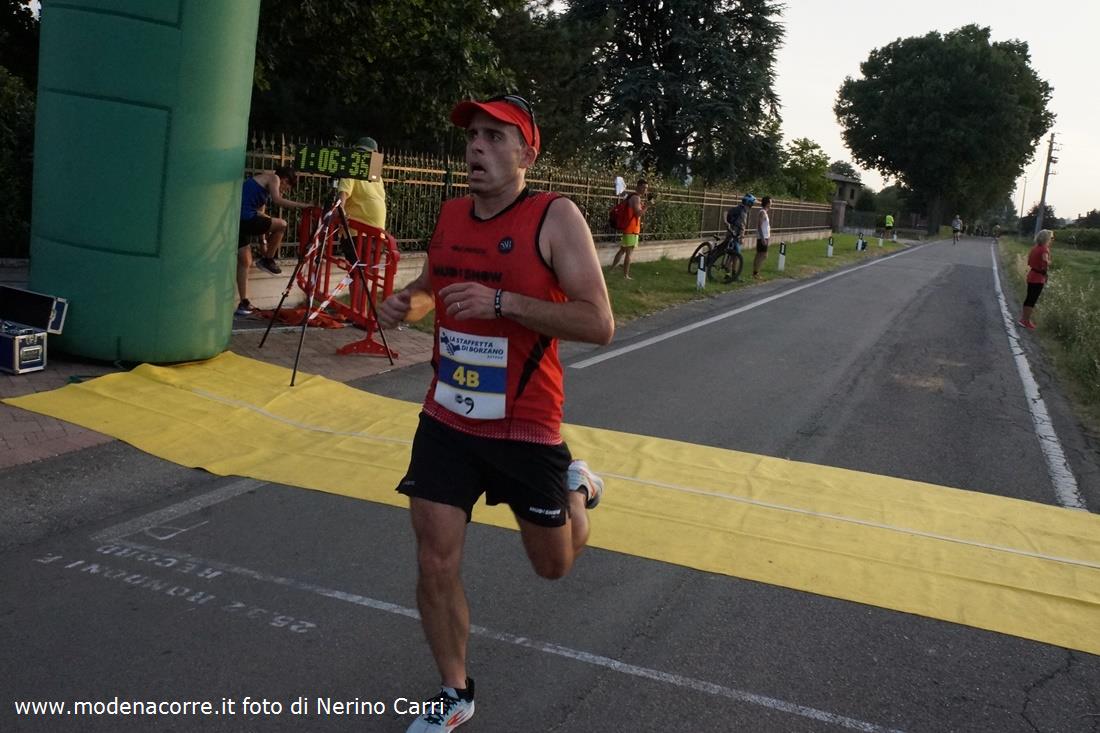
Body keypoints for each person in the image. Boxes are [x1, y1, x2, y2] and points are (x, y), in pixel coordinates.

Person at [376, 94, 614, 733]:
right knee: (434, 558)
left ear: (526, 153)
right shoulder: (451, 214)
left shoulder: (554, 217)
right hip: (447, 416)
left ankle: (578, 489)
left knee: (553, 565)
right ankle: (455, 693)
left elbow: (599, 322)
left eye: (493, 136)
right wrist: (403, 306)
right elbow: (429, 290)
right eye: (471, 136)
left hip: (525, 424)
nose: (476, 146)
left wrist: (504, 303)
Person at [237, 166, 309, 316]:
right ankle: (268, 260)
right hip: (244, 219)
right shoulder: (273, 178)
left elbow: (261, 216)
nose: (285, 191)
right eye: (286, 187)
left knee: (245, 261)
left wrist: (263, 243)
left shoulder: (263, 190)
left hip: (240, 222)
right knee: (282, 224)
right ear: (284, 180)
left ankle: (244, 303)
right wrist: (304, 206)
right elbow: (278, 200)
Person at [337, 136, 387, 231]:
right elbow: (343, 195)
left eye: (367, 154)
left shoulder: (377, 177)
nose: (363, 157)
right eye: (360, 153)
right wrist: (341, 212)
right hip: (356, 233)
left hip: (376, 233)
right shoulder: (351, 172)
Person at [608, 179, 647, 279]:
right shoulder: (636, 198)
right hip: (632, 230)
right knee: (629, 253)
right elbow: (638, 214)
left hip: (629, 229)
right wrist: (647, 206)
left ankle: (611, 270)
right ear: (638, 187)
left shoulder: (632, 196)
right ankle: (626, 275)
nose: (645, 190)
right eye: (643, 187)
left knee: (622, 250)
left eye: (646, 188)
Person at [1019, 229, 1053, 330]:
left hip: (1032, 274)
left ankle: (1024, 319)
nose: (1051, 240)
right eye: (1051, 238)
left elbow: (1029, 261)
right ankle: (1026, 321)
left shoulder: (1035, 248)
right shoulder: (1044, 249)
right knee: (1032, 300)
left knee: (1029, 298)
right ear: (1047, 238)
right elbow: (1045, 262)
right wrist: (1048, 264)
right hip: (1038, 277)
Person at [722, 193, 755, 283]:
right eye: (752, 203)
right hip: (735, 235)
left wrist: (726, 222)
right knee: (736, 255)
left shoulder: (738, 208)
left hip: (730, 233)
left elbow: (726, 212)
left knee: (732, 255)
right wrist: (742, 237)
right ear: (749, 203)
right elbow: (742, 226)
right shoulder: (743, 211)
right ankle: (732, 274)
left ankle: (729, 274)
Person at [752, 196, 772, 279]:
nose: (771, 204)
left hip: (764, 236)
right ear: (767, 203)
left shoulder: (764, 212)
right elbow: (759, 226)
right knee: (763, 255)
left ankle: (755, 272)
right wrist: (763, 238)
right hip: (762, 237)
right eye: (770, 202)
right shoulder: (762, 212)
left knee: (760, 254)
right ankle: (755, 273)